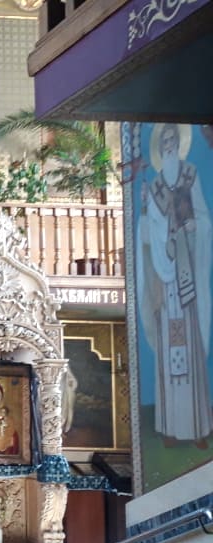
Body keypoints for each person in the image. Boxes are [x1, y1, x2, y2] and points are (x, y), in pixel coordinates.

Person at [140, 123, 213, 449]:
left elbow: (203, 217)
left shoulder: (190, 175)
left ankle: (197, 428)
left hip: (185, 274)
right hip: (164, 277)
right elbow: (148, 230)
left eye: (173, 140)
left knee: (190, 350)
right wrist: (145, 212)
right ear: (160, 147)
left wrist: (196, 225)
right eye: (164, 141)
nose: (169, 145)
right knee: (168, 354)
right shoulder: (155, 185)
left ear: (179, 144)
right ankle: (169, 427)